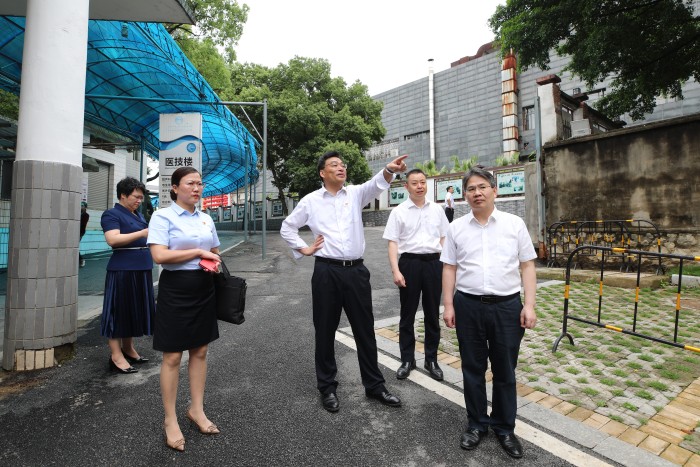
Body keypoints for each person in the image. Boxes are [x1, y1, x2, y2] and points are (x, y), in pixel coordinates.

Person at [280, 151, 408, 413]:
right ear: (322, 173)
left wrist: (388, 170)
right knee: (325, 330)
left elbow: (376, 184)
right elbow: (287, 227)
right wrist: (304, 248)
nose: (341, 168)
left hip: (356, 272)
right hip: (326, 272)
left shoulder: (355, 194)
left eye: (342, 164)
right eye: (334, 165)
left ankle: (375, 385)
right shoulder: (311, 201)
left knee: (365, 330)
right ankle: (327, 387)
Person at [441, 166, 537, 459]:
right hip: (468, 306)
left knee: (505, 370)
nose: (477, 193)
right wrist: (448, 305)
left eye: (482, 187)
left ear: (495, 190)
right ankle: (477, 424)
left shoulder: (514, 224)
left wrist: (529, 305)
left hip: (507, 307)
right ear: (464, 195)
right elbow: (449, 268)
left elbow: (527, 265)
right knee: (472, 368)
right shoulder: (456, 228)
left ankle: (505, 428)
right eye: (471, 189)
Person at [148, 167, 222, 452]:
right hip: (176, 288)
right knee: (172, 355)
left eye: (200, 183)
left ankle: (196, 410)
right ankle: (170, 419)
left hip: (204, 287)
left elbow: (214, 251)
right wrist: (196, 252)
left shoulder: (206, 218)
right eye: (190, 183)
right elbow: (159, 255)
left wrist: (212, 261)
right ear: (175, 188)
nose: (197, 188)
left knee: (200, 350)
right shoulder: (162, 216)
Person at [382, 169, 449, 381]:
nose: (419, 186)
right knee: (407, 314)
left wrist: (445, 266)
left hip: (433, 263)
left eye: (422, 182)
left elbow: (444, 238)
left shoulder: (437, 210)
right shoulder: (399, 211)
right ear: (406, 187)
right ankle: (407, 359)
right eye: (414, 183)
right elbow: (392, 243)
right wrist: (396, 270)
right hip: (409, 263)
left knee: (432, 314)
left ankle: (431, 360)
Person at [100, 178, 155, 375]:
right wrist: (142, 232)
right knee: (118, 312)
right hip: (123, 269)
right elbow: (112, 239)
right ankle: (116, 356)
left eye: (141, 197)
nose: (139, 200)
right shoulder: (112, 214)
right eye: (136, 197)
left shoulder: (137, 214)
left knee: (133, 311)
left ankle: (128, 348)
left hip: (141, 268)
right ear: (123, 195)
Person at [79, 201, 89, 267]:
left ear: (85, 207)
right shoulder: (78, 213)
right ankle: (80, 260)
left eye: (82, 206)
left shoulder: (86, 215)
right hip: (75, 232)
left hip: (80, 232)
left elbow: (82, 224)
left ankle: (81, 260)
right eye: (80, 205)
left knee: (75, 247)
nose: (81, 207)